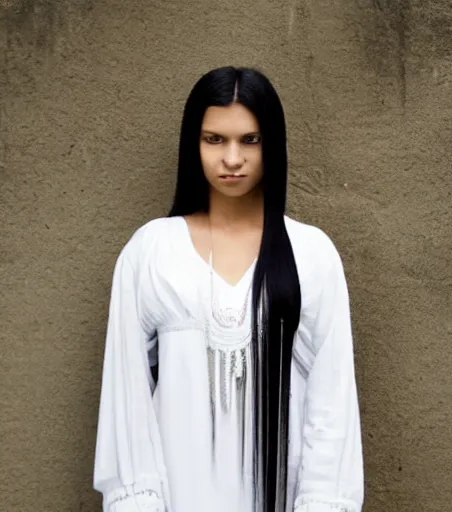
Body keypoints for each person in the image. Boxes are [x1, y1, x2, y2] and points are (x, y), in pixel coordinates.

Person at [93, 66, 364, 512]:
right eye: (214, 139)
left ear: (271, 145)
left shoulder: (311, 254)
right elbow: (127, 401)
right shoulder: (152, 252)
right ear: (192, 144)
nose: (232, 158)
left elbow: (331, 407)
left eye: (249, 140)